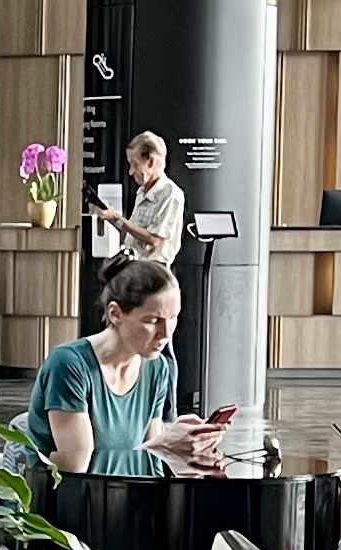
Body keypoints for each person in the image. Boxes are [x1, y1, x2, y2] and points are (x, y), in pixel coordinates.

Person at [23, 257, 231, 477]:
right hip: (67, 504)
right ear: (115, 314)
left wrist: (185, 453)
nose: (167, 333)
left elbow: (151, 464)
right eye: (153, 321)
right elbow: (75, 466)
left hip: (129, 500)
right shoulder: (69, 365)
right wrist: (165, 443)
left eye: (173, 318)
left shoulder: (157, 367)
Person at [88, 131, 186, 264]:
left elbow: (155, 240)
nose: (130, 171)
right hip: (133, 266)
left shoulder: (171, 194)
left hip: (153, 271)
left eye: (134, 164)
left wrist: (117, 218)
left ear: (151, 162)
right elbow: (133, 235)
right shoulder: (141, 192)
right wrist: (110, 218)